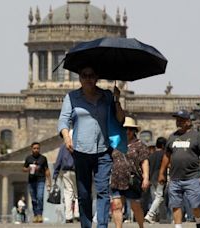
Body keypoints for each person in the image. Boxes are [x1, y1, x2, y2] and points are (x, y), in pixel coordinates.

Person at [58, 66, 125, 228]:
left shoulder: (107, 96)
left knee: (102, 191)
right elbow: (63, 120)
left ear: (97, 78)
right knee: (83, 193)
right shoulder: (72, 97)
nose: (88, 79)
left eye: (91, 75)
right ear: (79, 78)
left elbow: (121, 120)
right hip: (80, 151)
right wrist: (67, 137)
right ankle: (86, 225)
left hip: (103, 151)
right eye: (84, 75)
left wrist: (117, 100)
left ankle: (102, 225)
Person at [158, 109, 200, 228]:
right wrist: (161, 173)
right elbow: (166, 156)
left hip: (192, 177)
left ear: (188, 121)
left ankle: (199, 220)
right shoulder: (172, 137)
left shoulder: (197, 136)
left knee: (195, 205)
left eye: (181, 120)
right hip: (175, 178)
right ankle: (178, 226)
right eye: (177, 120)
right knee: (175, 205)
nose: (178, 122)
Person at [111, 117, 150, 228]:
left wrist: (146, 177)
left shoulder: (139, 145)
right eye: (125, 129)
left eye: (130, 129)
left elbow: (144, 161)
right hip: (116, 180)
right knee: (117, 206)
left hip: (132, 181)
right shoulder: (115, 144)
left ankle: (141, 226)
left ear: (134, 131)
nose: (127, 131)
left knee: (135, 206)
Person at [53, 133, 79, 223]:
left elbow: (58, 161)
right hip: (77, 171)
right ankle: (77, 213)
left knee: (68, 193)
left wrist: (55, 174)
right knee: (77, 193)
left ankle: (68, 217)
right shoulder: (78, 145)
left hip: (65, 172)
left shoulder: (63, 146)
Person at [22, 142, 51, 223]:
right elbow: (24, 168)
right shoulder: (28, 158)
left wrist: (49, 181)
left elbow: (47, 170)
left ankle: (40, 215)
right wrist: (28, 168)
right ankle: (35, 215)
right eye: (34, 148)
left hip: (41, 180)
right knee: (34, 199)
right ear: (31, 149)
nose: (36, 150)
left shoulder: (43, 158)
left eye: (38, 148)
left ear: (39, 149)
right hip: (31, 181)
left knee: (40, 197)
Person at [144, 137, 167, 223]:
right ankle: (150, 214)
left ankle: (162, 217)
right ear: (163, 145)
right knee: (159, 198)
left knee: (156, 198)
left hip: (152, 178)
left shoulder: (151, 155)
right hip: (160, 178)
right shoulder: (164, 154)